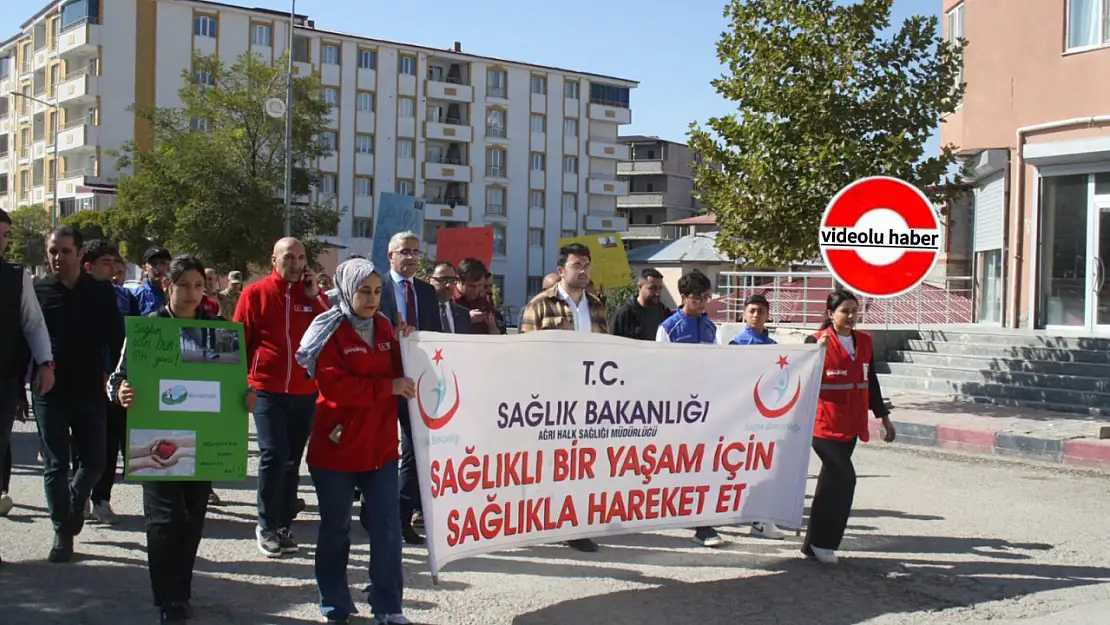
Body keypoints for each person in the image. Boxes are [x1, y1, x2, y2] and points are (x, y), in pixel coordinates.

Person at [109, 255, 232, 624]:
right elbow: (117, 377)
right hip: (155, 438)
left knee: (192, 518)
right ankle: (168, 599)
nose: (192, 293)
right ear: (168, 286)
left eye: (199, 286)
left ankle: (182, 590)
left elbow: (230, 384)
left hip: (202, 439)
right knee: (164, 520)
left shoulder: (216, 329)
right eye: (184, 285)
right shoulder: (149, 329)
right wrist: (121, 391)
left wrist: (246, 397)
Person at [295, 258, 414, 625]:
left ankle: (388, 605)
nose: (372, 298)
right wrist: (388, 388)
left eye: (377, 291)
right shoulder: (328, 329)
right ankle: (334, 605)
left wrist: (408, 345)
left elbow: (403, 373)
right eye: (364, 291)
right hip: (337, 449)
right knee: (336, 529)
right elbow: (335, 387)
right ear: (347, 291)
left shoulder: (384, 327)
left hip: (380, 449)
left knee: (387, 528)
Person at [234, 237, 329, 558]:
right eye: (289, 257)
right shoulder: (255, 293)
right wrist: (243, 385)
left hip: (304, 391)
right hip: (265, 388)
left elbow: (333, 330)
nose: (296, 264)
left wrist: (315, 297)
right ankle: (266, 524)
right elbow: (238, 343)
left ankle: (283, 524)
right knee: (273, 454)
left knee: (291, 461)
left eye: (301, 258)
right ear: (273, 260)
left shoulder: (314, 297)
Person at [33, 225, 124, 562]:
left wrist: (115, 376)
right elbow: (25, 335)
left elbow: (116, 338)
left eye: (65, 251)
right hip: (50, 391)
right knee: (56, 464)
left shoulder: (100, 290)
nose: (58, 257)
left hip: (90, 389)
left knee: (95, 462)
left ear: (79, 253)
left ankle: (74, 501)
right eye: (53, 251)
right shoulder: (38, 290)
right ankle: (62, 532)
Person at [519, 242, 607, 552]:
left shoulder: (596, 306)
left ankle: (574, 525)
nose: (583, 271)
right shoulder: (540, 305)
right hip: (550, 400)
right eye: (576, 265)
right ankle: (538, 522)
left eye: (586, 265)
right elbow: (525, 355)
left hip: (588, 399)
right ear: (561, 270)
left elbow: (607, 351)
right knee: (547, 465)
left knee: (580, 465)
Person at [801, 290, 896, 565]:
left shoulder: (864, 341)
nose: (851, 316)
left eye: (855, 311)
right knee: (845, 479)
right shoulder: (816, 341)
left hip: (852, 424)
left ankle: (812, 544)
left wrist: (883, 416)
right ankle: (826, 543)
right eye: (845, 311)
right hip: (823, 425)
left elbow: (871, 380)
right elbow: (800, 380)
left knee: (829, 483)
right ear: (831, 314)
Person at [376, 231, 440, 545]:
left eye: (416, 252)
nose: (412, 257)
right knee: (380, 449)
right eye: (406, 252)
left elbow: (437, 336)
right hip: (383, 380)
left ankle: (402, 518)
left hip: (417, 382)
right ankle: (373, 512)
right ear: (391, 256)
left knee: (415, 450)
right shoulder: (377, 287)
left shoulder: (426, 292)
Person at [0, 209, 56, 563]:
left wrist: (45, 363)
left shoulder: (15, 277)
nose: (2, 241)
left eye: (6, 235)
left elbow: (33, 323)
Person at [653, 271, 724, 547]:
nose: (702, 302)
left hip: (705, 407)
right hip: (677, 408)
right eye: (697, 297)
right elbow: (660, 369)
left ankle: (702, 523)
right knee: (678, 463)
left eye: (706, 297)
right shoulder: (668, 328)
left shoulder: (711, 328)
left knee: (703, 464)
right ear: (683, 297)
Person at [80, 240, 139, 525]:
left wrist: (119, 374)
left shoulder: (125, 297)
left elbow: (132, 338)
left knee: (110, 443)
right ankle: (79, 496)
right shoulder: (75, 295)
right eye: (106, 263)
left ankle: (101, 499)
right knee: (83, 444)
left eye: (115, 262)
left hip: (115, 381)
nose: (113, 268)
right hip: (83, 381)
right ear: (87, 266)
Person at [723, 293, 789, 540]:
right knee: (740, 466)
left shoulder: (774, 347)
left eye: (761, 311)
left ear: (767, 314)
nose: (756, 315)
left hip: (768, 416)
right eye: (751, 311)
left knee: (764, 466)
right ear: (743, 313)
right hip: (744, 416)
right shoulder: (736, 345)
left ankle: (759, 518)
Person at [609, 268, 672, 340]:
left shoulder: (665, 314)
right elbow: (613, 342)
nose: (657, 293)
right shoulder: (624, 315)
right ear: (639, 287)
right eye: (652, 288)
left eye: (660, 288)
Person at [453, 258, 499, 335]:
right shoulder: (448, 299)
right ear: (458, 280)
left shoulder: (485, 300)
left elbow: (496, 335)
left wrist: (491, 324)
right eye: (471, 286)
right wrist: (466, 319)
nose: (476, 291)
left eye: (480, 285)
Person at [428, 261, 472, 334]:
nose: (448, 285)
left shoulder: (463, 314)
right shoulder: (420, 311)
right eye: (442, 280)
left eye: (452, 280)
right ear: (428, 280)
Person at [130, 246, 172, 315]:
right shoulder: (134, 296)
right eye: (154, 263)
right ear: (145, 269)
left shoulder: (178, 293)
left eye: (163, 263)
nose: (159, 267)